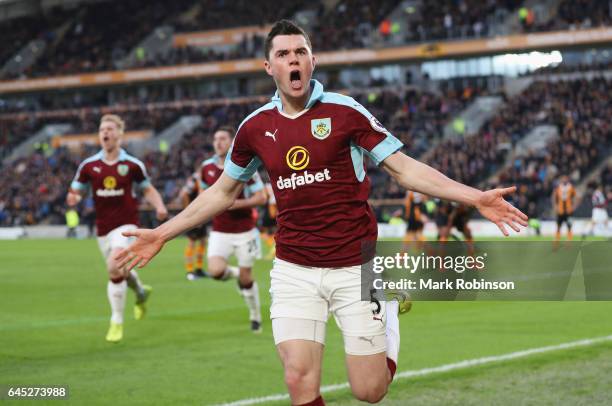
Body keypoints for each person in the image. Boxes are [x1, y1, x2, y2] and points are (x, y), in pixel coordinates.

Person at [115, 20, 527, 404]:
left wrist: (475, 197)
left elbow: (404, 168)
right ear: (268, 66)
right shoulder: (254, 129)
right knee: (298, 377)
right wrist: (161, 233)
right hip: (294, 267)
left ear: (313, 60)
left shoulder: (345, 112)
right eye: (283, 54)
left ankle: (387, 313)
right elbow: (221, 192)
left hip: (355, 266)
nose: (293, 59)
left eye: (300, 51)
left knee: (369, 390)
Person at [67, 114, 168, 343]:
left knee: (114, 266)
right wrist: (73, 197)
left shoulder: (132, 165)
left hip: (126, 226)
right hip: (102, 228)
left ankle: (116, 322)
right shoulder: (89, 166)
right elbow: (76, 189)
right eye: (103, 129)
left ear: (119, 134)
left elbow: (147, 189)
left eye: (111, 129)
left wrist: (160, 206)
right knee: (120, 269)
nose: (106, 132)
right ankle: (141, 292)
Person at [199, 126, 267, 333]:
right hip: (219, 230)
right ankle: (237, 275)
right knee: (216, 271)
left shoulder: (244, 166)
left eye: (222, 139)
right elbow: (204, 194)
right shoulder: (206, 168)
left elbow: (262, 197)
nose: (218, 142)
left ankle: (255, 316)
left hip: (245, 231)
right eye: (215, 139)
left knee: (247, 279)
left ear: (231, 142)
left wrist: (234, 204)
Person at [178, 170, 208, 280]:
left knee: (203, 240)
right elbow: (184, 194)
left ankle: (199, 269)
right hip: (194, 214)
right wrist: (189, 211)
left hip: (202, 213)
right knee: (192, 242)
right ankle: (189, 271)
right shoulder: (196, 179)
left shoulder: (202, 177)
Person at [552, 175, 576, 243]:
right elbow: (554, 196)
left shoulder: (571, 187)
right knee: (558, 226)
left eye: (565, 178)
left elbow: (576, 197)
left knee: (569, 226)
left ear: (567, 179)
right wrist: (555, 206)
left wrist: (574, 206)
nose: (564, 180)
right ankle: (557, 240)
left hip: (569, 211)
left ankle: (569, 241)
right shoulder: (558, 187)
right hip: (560, 211)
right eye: (563, 179)